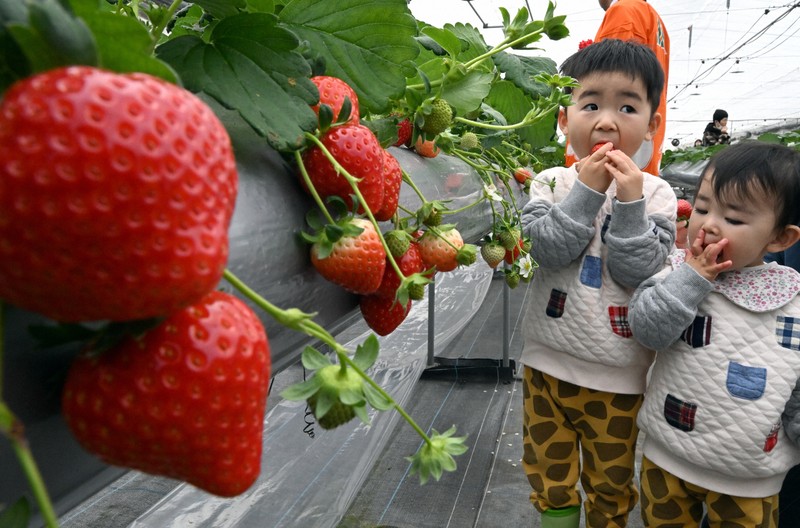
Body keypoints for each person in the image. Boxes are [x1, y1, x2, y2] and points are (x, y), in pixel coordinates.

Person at [519, 38, 677, 528]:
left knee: (609, 484)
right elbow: (547, 249)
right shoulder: (550, 182)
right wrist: (586, 192)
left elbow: (641, 273)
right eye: (591, 104)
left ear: (651, 125)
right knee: (549, 475)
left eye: (627, 107)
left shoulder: (658, 195)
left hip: (619, 378)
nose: (606, 121)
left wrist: (628, 205)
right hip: (546, 364)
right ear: (566, 120)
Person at [628, 141, 800, 527]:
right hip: (668, 455)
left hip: (750, 477)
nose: (708, 224)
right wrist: (692, 278)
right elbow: (647, 329)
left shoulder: (793, 302)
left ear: (779, 239)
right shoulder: (677, 272)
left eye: (734, 219)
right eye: (703, 208)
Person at [565, 0, 670, 176]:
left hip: (614, 159)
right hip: (640, 148)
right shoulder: (653, 18)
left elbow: (611, 81)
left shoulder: (624, 11)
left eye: (627, 108)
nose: (606, 122)